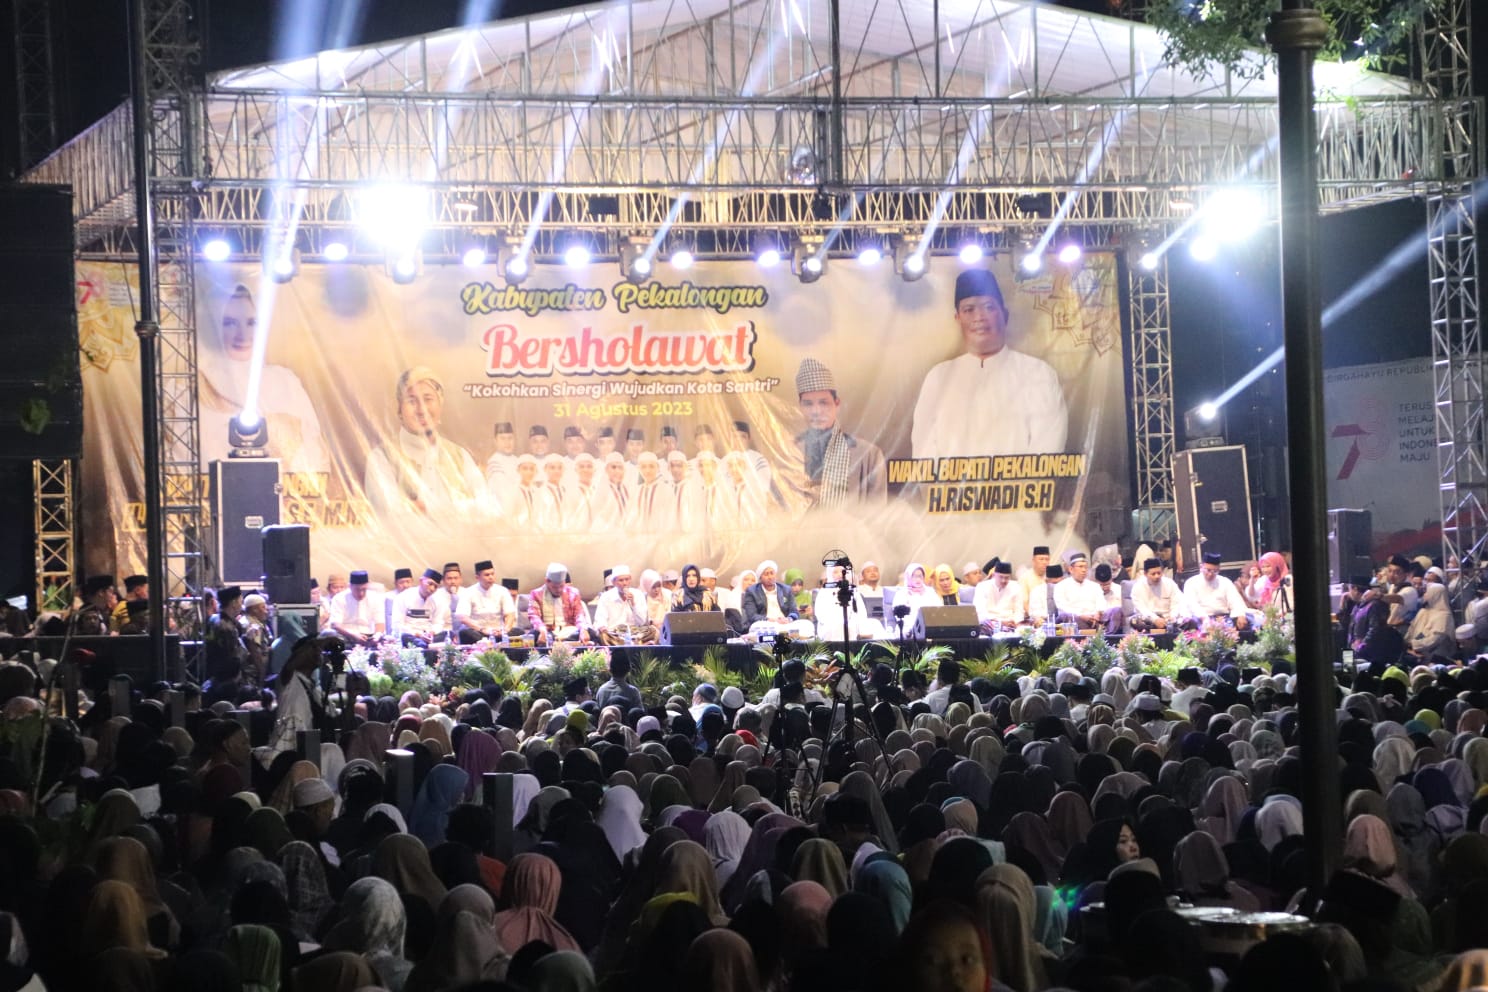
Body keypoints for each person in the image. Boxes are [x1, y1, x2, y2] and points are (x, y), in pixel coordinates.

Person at [911, 267, 1067, 461]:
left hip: (1020, 481)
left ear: (1005, 315)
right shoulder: (938, 377)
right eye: (969, 310)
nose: (979, 317)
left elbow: (1047, 452)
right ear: (958, 319)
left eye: (989, 307)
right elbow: (924, 451)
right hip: (949, 482)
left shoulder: (1038, 373)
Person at [199, 283, 327, 473]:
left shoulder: (286, 383)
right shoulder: (189, 388)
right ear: (213, 326)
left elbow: (312, 457)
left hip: (281, 490)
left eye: (252, 323)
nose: (243, 335)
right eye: (230, 323)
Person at [363, 366, 486, 519]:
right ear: (399, 409)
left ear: (440, 405)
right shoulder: (382, 458)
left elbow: (487, 508)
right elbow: (391, 514)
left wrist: (425, 508)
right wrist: (460, 508)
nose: (421, 409)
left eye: (428, 399)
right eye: (411, 401)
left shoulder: (460, 456)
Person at [788, 358, 887, 508]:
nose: (816, 411)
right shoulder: (788, 453)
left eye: (823, 403)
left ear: (837, 404)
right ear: (800, 407)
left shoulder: (869, 455)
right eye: (808, 404)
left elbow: (877, 514)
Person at [267, 634, 330, 759]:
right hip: (287, 754)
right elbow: (291, 665)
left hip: (311, 752)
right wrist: (325, 640)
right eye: (313, 648)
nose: (318, 652)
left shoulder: (315, 690)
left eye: (319, 649)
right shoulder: (288, 681)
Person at [527, 563, 592, 646]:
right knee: (534, 635)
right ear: (547, 581)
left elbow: (579, 614)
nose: (558, 590)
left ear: (564, 582)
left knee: (591, 633)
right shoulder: (536, 594)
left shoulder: (573, 593)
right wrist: (542, 630)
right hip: (548, 632)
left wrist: (583, 629)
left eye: (561, 586)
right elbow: (534, 616)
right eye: (555, 587)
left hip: (569, 632)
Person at [454, 560, 518, 644]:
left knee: (519, 632)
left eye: (492, 574)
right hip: (478, 632)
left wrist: (505, 630)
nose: (491, 577)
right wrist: (483, 630)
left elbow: (510, 614)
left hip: (499, 632)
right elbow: (462, 617)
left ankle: (495, 642)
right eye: (487, 575)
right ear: (477, 577)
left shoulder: (502, 591)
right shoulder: (468, 592)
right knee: (465, 633)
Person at [742, 560, 810, 638]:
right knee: (757, 626)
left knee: (807, 624)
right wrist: (770, 620)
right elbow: (752, 615)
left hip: (785, 624)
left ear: (775, 574)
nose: (770, 577)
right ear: (760, 577)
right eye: (766, 574)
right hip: (766, 624)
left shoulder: (786, 589)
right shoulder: (752, 591)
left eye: (772, 573)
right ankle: (783, 635)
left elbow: (794, 611)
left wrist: (789, 619)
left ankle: (784, 634)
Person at [1182, 553, 1251, 629]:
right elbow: (1192, 604)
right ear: (1201, 567)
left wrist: (1241, 615)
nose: (1210, 574)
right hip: (1201, 618)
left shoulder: (1225, 582)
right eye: (1208, 570)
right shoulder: (1191, 582)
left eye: (1215, 571)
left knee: (1247, 621)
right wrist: (1204, 618)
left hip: (1224, 618)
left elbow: (1235, 601)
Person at [594, 565, 656, 646]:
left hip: (635, 633)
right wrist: (602, 627)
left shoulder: (638, 594)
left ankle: (632, 643)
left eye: (627, 579)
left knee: (653, 631)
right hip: (614, 634)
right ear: (614, 582)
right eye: (621, 580)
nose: (624, 583)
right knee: (603, 635)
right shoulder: (606, 597)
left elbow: (642, 622)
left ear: (630, 579)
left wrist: (633, 604)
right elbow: (600, 619)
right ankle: (636, 645)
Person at [391, 569, 450, 647]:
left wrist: (431, 633)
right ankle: (425, 645)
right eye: (430, 584)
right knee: (405, 636)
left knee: (448, 634)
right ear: (421, 581)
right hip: (411, 635)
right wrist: (418, 634)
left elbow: (438, 623)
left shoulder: (438, 600)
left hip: (429, 635)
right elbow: (397, 625)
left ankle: (427, 644)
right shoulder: (402, 597)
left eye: (435, 586)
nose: (432, 589)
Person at [1130, 558, 1191, 631]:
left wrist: (1172, 616)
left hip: (1168, 619)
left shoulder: (1169, 583)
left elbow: (1177, 602)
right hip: (1150, 620)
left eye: (1159, 573)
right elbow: (1141, 609)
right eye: (1153, 574)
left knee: (1186, 618)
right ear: (1145, 574)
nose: (1157, 576)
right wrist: (1155, 619)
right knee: (1134, 621)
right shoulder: (1137, 587)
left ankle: (1169, 629)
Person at [329, 570, 384, 647]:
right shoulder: (339, 598)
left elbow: (380, 623)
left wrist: (377, 636)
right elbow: (335, 625)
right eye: (357, 590)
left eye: (364, 589)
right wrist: (354, 635)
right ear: (350, 586)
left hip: (368, 636)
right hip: (345, 635)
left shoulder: (375, 598)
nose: (361, 593)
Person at [974, 561, 1026, 632]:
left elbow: (1019, 611)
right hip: (990, 623)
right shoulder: (982, 587)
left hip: (1010, 623)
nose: (1003, 580)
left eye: (1006, 578)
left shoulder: (1016, 587)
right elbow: (980, 611)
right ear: (994, 575)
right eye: (1001, 577)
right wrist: (1000, 622)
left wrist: (1016, 622)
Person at [894, 564, 941, 638]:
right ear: (908, 577)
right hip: (907, 627)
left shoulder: (930, 592)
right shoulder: (901, 593)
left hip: (928, 626)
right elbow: (898, 614)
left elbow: (939, 610)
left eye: (920, 576)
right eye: (914, 576)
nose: (918, 579)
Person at [240, 594, 271, 690]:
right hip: (253, 675)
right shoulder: (253, 626)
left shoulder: (243, 621)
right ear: (254, 610)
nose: (266, 611)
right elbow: (255, 652)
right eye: (263, 607)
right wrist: (262, 674)